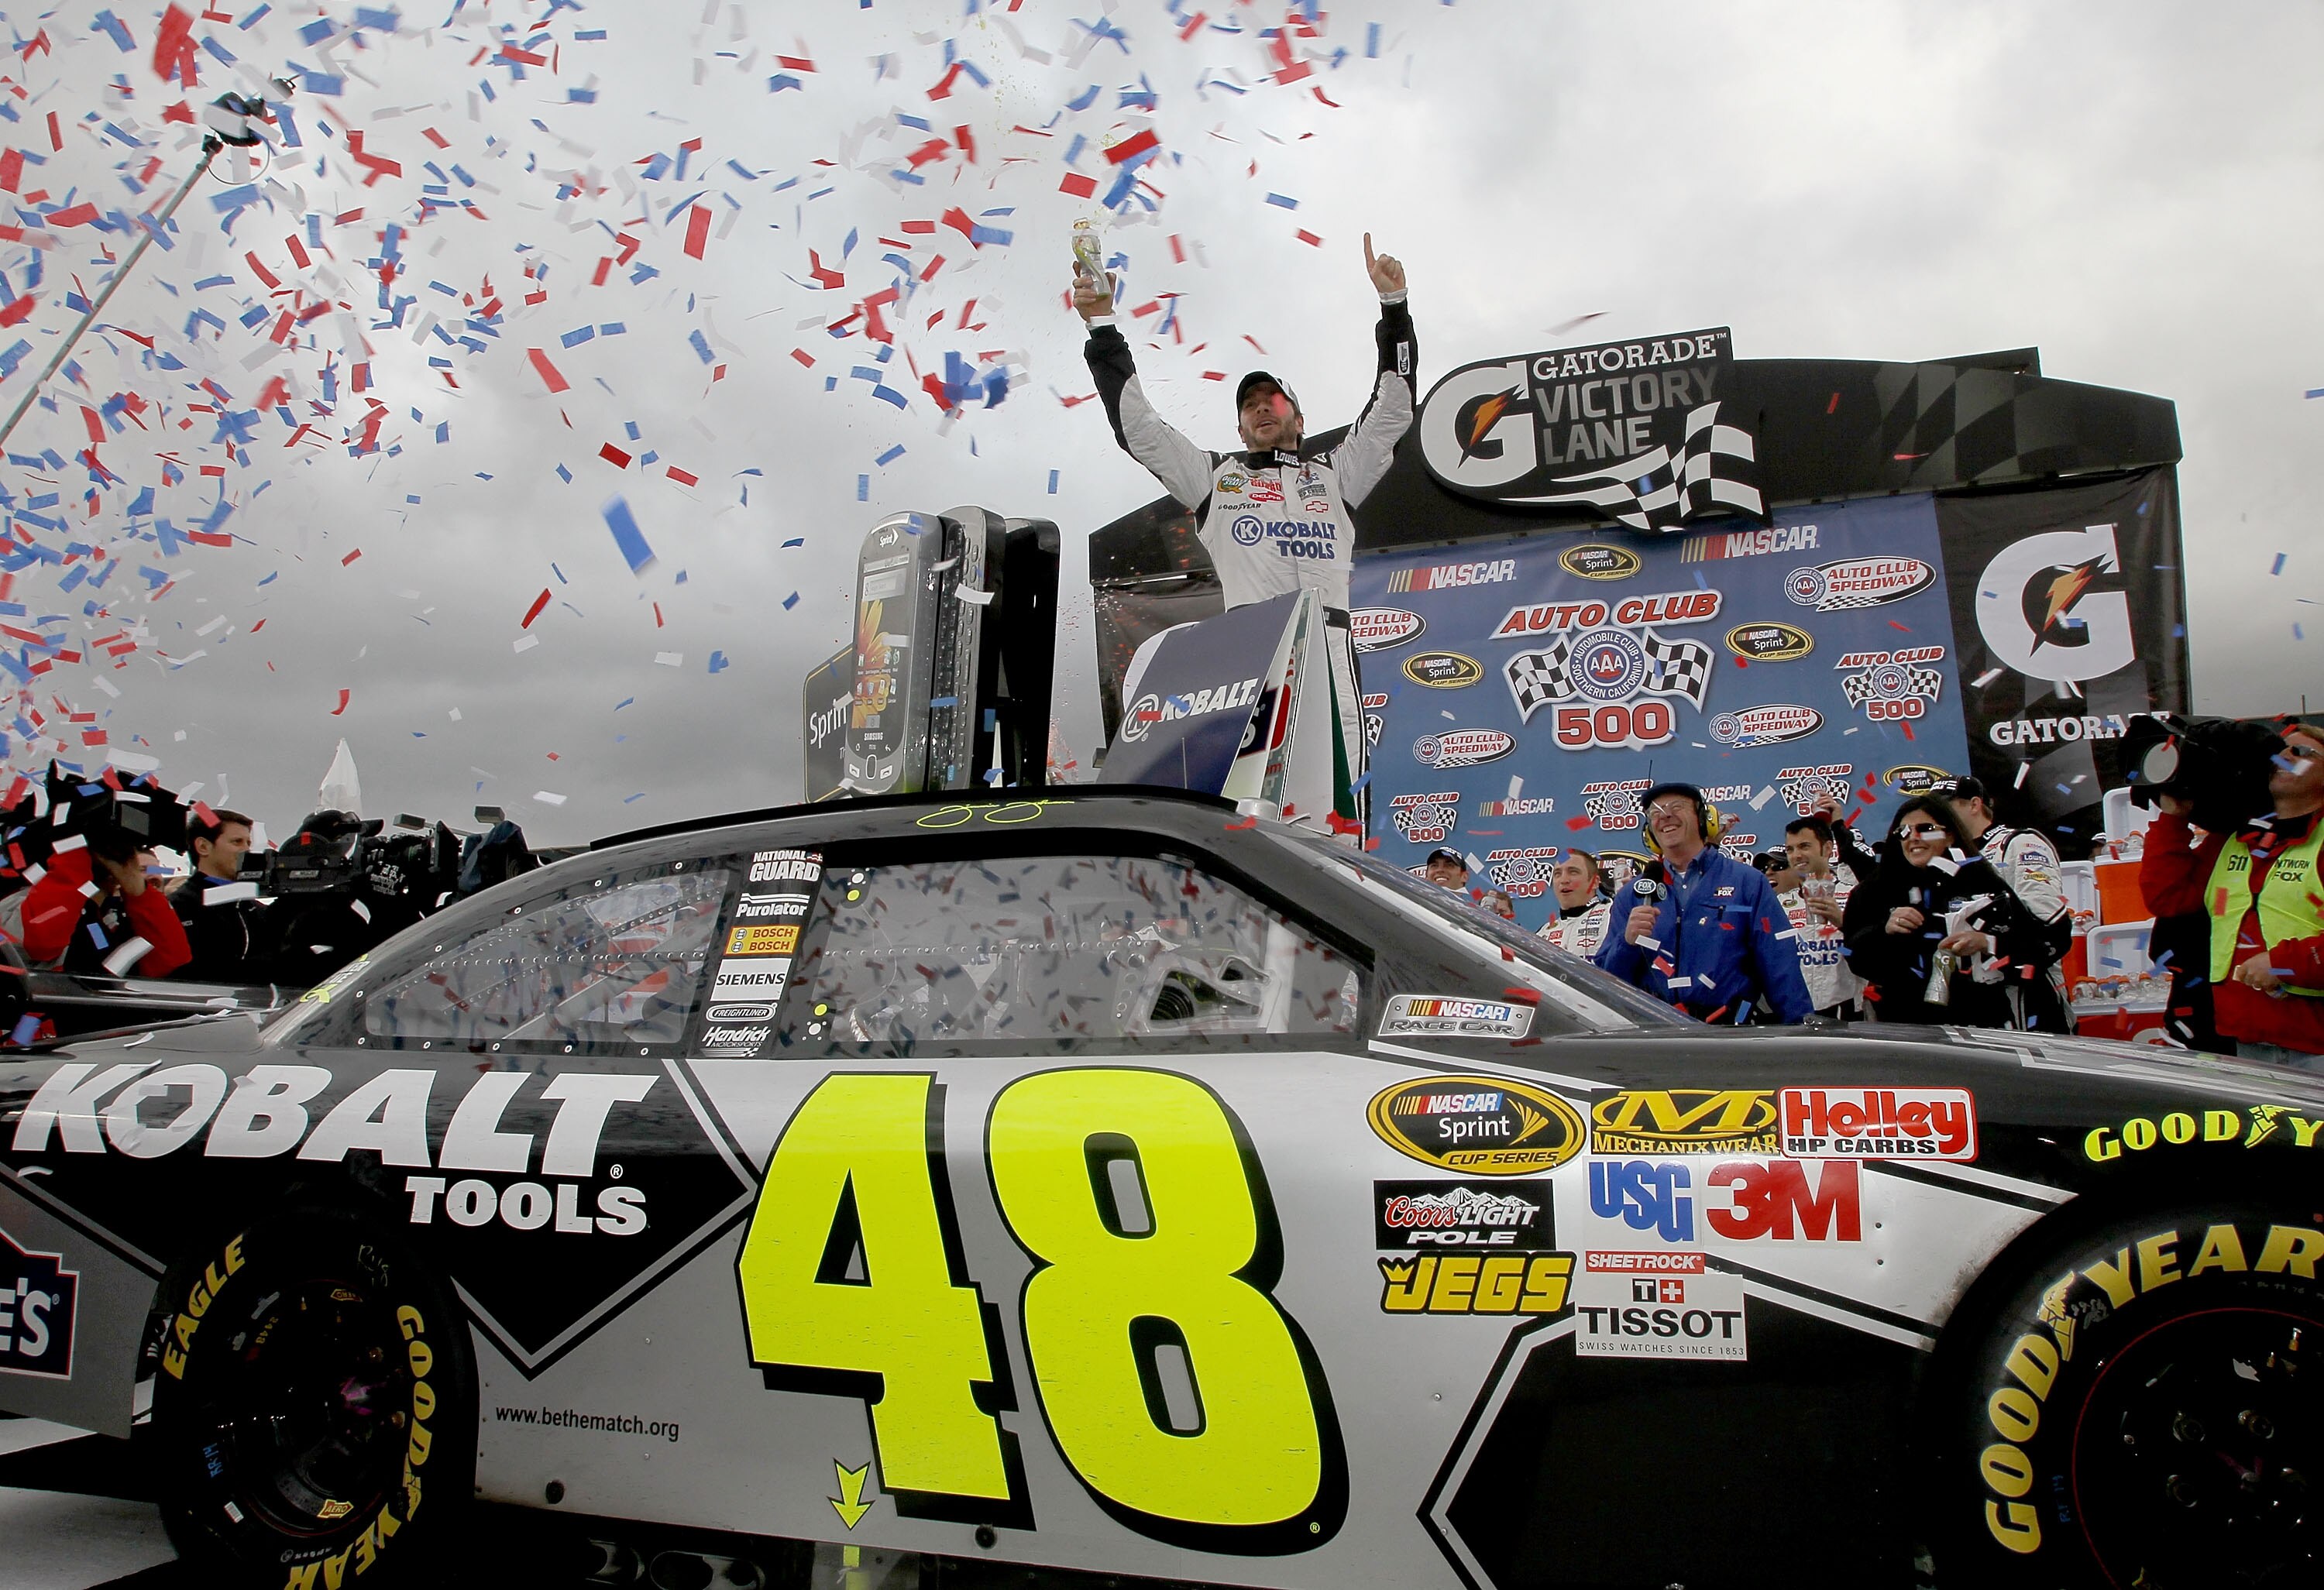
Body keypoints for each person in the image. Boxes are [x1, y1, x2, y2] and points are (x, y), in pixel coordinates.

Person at [1077, 232, 1415, 827]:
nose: (1261, 407)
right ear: (1239, 428)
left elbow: (1393, 409)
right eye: (1250, 403)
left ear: (1298, 418)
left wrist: (1395, 309)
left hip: (1331, 651)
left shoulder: (1336, 473)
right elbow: (1140, 429)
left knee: (1339, 821)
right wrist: (1102, 326)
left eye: (1273, 399)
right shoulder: (1217, 479)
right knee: (1256, 817)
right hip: (1255, 656)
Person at [2139, 718, 2324, 1068]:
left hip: (2315, 1043)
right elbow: (2167, 898)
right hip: (2244, 1040)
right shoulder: (2234, 839)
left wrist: (2284, 963)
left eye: (2302, 752)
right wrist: (2174, 819)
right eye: (2281, 751)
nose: (2286, 758)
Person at [1594, 782, 1813, 1024]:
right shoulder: (1632, 895)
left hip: (1729, 1034)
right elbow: (1608, 984)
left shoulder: (1747, 882)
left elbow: (1780, 964)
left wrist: (1800, 1027)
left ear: (1702, 818)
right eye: (1655, 812)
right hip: (1657, 1034)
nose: (1665, 816)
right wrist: (1626, 943)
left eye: (1676, 807)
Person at [1839, 797, 2053, 1029]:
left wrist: (1987, 943)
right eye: (1903, 831)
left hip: (1980, 1023)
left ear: (1949, 835)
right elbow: (1854, 956)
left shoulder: (1980, 879)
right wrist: (1884, 931)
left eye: (1926, 829)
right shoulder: (1875, 889)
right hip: (1905, 1026)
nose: (1913, 837)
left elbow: (2038, 946)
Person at [1945, 775, 2072, 1030]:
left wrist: (1988, 941)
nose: (1940, 817)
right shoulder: (1946, 860)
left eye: (1947, 807)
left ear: (1974, 804)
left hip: (2027, 1002)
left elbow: (2050, 930)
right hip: (1973, 1005)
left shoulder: (2018, 844)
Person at [0, 832, 191, 978]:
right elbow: (38, 944)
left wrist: (137, 888)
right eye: (142, 868)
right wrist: (74, 847)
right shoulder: (20, 903)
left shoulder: (115, 915)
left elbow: (171, 961)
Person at [169, 805, 272, 984]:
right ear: (203, 847)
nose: (247, 850)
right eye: (237, 842)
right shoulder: (180, 907)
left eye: (248, 843)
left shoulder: (256, 910)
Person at [1778, 815, 1864, 1021]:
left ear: (1827, 849)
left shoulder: (1855, 895)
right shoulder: (1780, 903)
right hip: (1796, 1009)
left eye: (1804, 846)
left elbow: (1873, 954)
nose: (1796, 855)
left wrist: (1843, 923)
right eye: (1790, 849)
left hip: (1845, 1009)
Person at [1537, 849, 1613, 957]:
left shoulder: (1612, 914)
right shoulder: (1543, 933)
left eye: (1573, 872)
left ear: (1594, 882)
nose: (1564, 880)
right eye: (1558, 874)